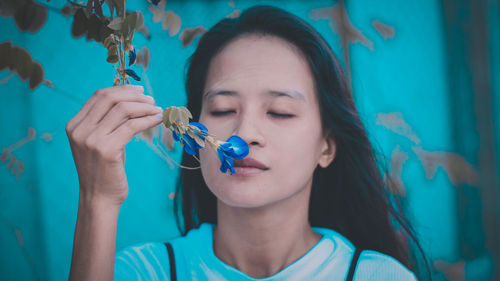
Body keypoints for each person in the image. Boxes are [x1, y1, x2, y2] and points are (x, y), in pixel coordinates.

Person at [67, 5, 429, 281]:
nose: (245, 132)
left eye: (280, 112)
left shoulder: (377, 276)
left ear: (327, 146)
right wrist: (97, 200)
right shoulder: (144, 271)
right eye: (223, 108)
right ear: (193, 131)